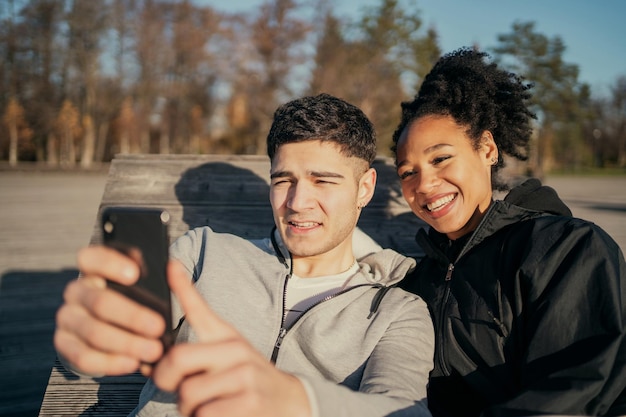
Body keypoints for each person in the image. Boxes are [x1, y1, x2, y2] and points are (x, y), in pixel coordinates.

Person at [54, 93, 435, 417]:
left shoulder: (396, 311)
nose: (297, 202)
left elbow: (405, 409)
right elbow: (106, 342)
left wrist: (292, 397)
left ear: (364, 188)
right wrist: (94, 332)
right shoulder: (203, 253)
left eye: (323, 181)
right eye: (283, 180)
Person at [391, 48, 626, 417]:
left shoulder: (568, 250)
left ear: (486, 149)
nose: (425, 184)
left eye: (440, 159)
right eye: (408, 172)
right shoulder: (418, 282)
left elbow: (571, 391)